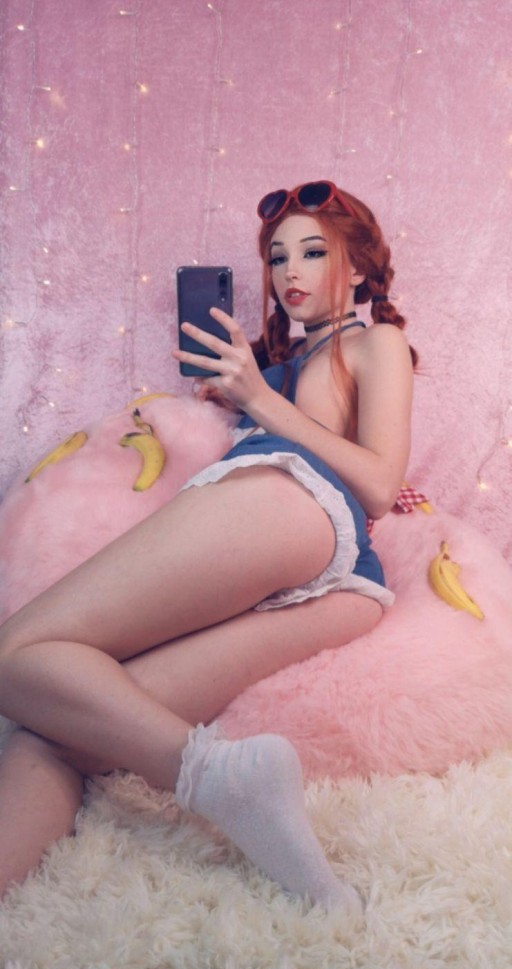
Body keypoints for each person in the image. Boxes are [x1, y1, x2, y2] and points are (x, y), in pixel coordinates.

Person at [0, 180, 413, 909]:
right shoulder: (277, 362)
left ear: (357, 268)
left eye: (314, 253)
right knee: (51, 727)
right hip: (324, 578)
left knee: (14, 653)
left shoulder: (373, 341)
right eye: (277, 258)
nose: (290, 272)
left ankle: (216, 780)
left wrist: (260, 402)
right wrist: (241, 391)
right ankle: (295, 860)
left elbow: (380, 484)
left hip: (295, 509)